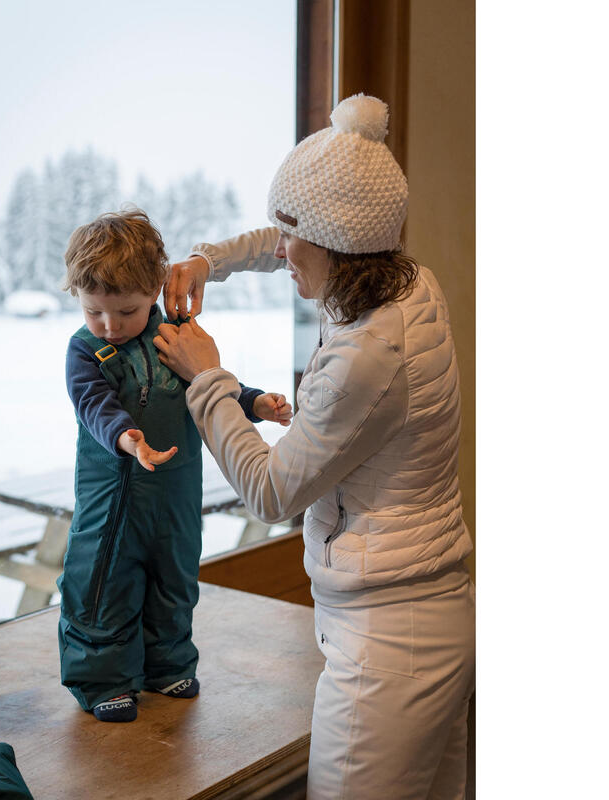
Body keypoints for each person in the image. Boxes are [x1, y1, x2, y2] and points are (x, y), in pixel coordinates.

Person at [154, 94, 475, 798]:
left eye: (293, 238)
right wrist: (212, 259)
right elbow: (282, 240)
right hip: (432, 616)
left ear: (338, 246)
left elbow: (270, 493)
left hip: (388, 651)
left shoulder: (366, 355)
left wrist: (207, 376)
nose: (281, 250)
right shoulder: (405, 280)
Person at [56, 208, 292, 723]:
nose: (111, 326)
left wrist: (252, 403)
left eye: (128, 311)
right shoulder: (85, 352)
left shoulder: (175, 337)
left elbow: (207, 382)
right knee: (104, 582)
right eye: (95, 312)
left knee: (174, 578)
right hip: (115, 496)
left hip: (176, 496)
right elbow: (93, 404)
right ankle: (104, 678)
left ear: (156, 292)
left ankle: (168, 664)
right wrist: (126, 437)